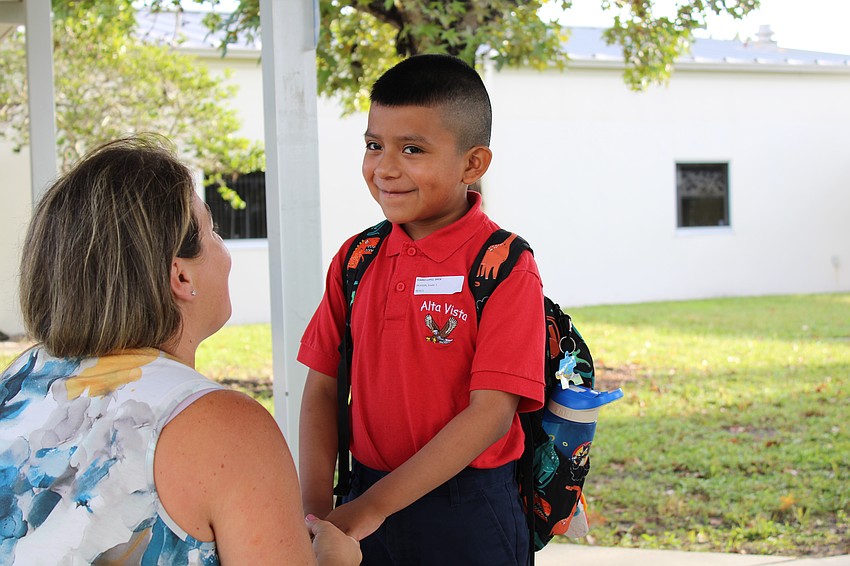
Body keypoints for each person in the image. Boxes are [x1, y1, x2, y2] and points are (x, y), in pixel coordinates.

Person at [0, 136, 361, 566]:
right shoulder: (225, 426)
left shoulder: (22, 379)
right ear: (181, 276)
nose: (225, 254)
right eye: (213, 232)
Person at [298, 54, 545, 565]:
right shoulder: (356, 258)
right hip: (361, 497)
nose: (385, 168)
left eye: (412, 149)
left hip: (468, 509)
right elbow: (322, 385)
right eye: (373, 146)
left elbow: (491, 415)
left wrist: (373, 508)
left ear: (473, 164)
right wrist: (314, 509)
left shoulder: (503, 265)